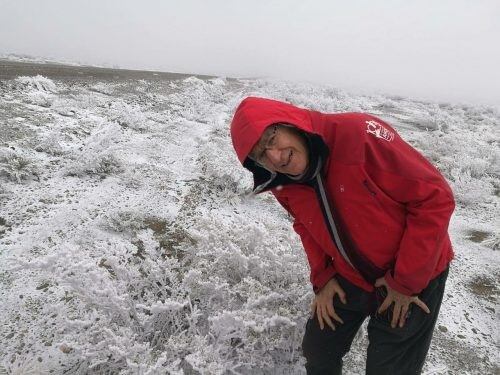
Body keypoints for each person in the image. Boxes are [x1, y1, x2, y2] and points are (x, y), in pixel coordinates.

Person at [229, 96, 455, 375]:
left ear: (291, 123)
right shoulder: (285, 184)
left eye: (272, 137)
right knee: (318, 350)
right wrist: (322, 277)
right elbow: (306, 226)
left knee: (389, 369)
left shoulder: (359, 135)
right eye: (261, 154)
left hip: (413, 275)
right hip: (350, 275)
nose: (276, 156)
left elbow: (435, 198)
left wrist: (405, 282)